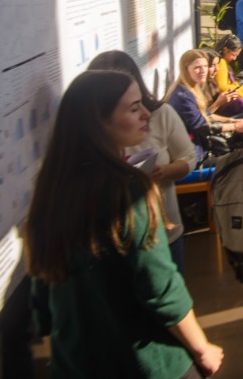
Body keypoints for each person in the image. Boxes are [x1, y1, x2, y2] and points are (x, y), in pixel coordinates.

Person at [25, 70, 223, 378]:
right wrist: (202, 348)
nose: (146, 113)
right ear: (98, 122)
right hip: (144, 363)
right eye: (133, 108)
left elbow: (43, 294)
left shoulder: (50, 189)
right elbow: (160, 286)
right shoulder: (128, 190)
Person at [87, 51, 197, 270]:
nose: (144, 115)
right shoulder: (86, 146)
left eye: (138, 105)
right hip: (114, 243)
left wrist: (164, 171)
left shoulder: (161, 114)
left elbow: (189, 157)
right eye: (131, 107)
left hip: (164, 231)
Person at [165, 50, 243, 143]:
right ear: (186, 69)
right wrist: (234, 126)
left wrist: (232, 121)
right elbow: (202, 126)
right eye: (197, 67)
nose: (203, 71)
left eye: (205, 66)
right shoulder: (183, 96)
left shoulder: (195, 87)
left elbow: (207, 115)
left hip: (201, 141)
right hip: (194, 149)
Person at [213, 34, 243, 116]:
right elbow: (222, 88)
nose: (234, 59)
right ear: (225, 50)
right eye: (233, 55)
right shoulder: (221, 62)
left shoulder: (221, 61)